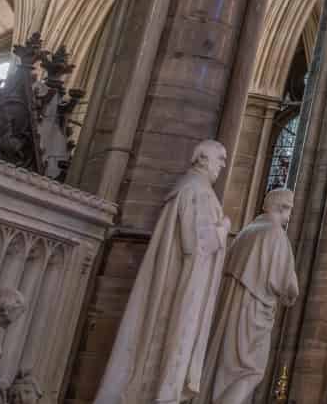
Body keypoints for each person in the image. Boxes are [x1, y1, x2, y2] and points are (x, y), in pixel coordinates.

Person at [94, 140, 230, 404]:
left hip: (178, 279)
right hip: (184, 284)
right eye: (220, 158)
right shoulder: (198, 191)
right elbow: (197, 244)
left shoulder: (190, 189)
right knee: (171, 339)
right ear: (202, 158)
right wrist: (224, 229)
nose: (223, 165)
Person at [202, 188, 299, 404]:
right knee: (250, 370)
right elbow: (289, 285)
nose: (291, 213)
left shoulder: (247, 231)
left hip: (229, 309)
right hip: (253, 313)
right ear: (281, 207)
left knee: (225, 368)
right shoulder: (275, 234)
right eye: (290, 208)